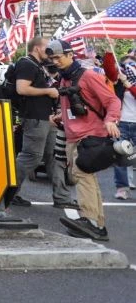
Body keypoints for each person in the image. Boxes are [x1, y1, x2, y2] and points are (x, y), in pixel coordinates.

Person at [49, 41, 121, 241]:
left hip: (90, 135)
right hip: (74, 135)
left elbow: (112, 100)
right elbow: (73, 108)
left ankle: (90, 220)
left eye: (58, 57)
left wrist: (110, 120)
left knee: (81, 174)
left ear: (70, 54)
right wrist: (59, 118)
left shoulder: (87, 75)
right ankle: (97, 224)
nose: (56, 62)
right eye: (53, 59)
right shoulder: (65, 79)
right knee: (86, 177)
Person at [11, 37, 74, 208]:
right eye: (47, 48)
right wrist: (49, 91)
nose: (51, 52)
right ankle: (7, 192)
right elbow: (21, 89)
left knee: (55, 157)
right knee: (30, 157)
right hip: (35, 117)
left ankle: (61, 197)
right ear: (38, 49)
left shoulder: (37, 66)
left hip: (45, 117)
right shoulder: (26, 64)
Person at [113, 56, 136, 199]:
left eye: (131, 66)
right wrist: (110, 51)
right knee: (121, 156)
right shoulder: (120, 84)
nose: (127, 69)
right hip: (122, 123)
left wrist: (129, 85)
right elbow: (110, 68)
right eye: (125, 66)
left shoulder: (128, 84)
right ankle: (122, 188)